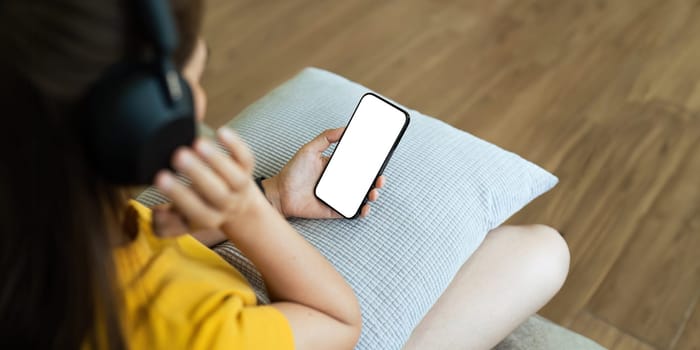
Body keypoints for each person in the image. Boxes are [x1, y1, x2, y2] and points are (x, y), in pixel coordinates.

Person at [0, 0, 570, 349]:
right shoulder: (179, 328)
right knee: (540, 252)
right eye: (188, 84)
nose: (198, 101)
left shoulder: (42, 219)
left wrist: (271, 196)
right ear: (133, 128)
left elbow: (137, 236)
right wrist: (250, 219)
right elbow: (337, 322)